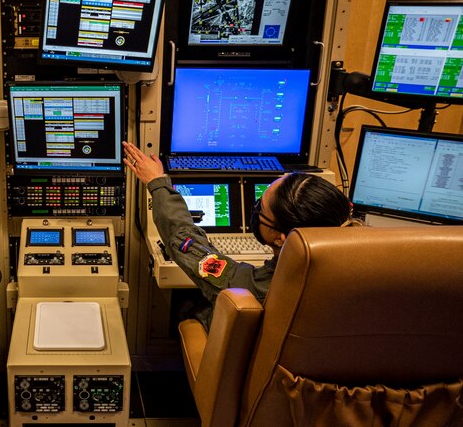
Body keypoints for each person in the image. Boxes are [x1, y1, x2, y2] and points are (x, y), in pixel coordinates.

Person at [122, 141, 357, 331]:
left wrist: (157, 184)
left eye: (261, 208)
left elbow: (186, 243)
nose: (256, 210)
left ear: (281, 238)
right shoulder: (362, 276)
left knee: (189, 308)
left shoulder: (252, 289)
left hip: (257, 372)